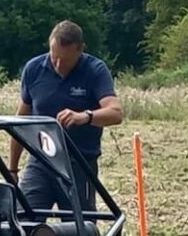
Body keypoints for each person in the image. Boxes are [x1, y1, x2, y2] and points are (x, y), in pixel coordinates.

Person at [8, 20, 123, 212]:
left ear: (80, 50)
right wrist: (12, 168)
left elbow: (116, 113)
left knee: (80, 229)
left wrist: (84, 117)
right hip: (40, 161)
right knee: (22, 221)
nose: (59, 64)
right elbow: (20, 121)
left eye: (65, 60)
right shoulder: (33, 69)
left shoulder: (95, 70)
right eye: (54, 57)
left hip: (80, 165)